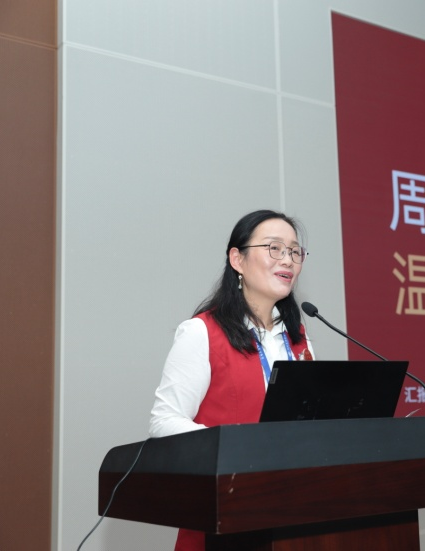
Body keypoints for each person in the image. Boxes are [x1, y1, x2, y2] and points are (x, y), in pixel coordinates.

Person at [149, 209, 313, 551]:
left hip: (291, 510)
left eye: (295, 251)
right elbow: (163, 421)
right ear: (237, 259)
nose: (288, 259)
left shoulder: (299, 339)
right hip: (224, 513)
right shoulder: (201, 332)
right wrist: (232, 445)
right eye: (274, 248)